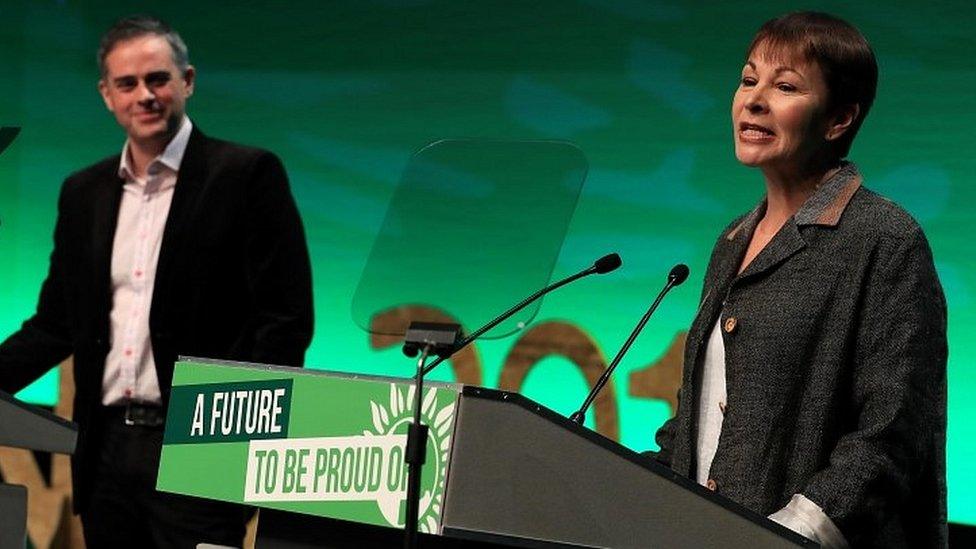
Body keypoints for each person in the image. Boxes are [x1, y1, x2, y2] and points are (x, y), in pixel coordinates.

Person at [0, 15, 314, 547]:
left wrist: (230, 428)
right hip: (104, 450)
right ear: (107, 95)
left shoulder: (246, 174)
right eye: (127, 84)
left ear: (187, 81)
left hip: (198, 444)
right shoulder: (83, 193)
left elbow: (285, 320)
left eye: (158, 79)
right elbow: (56, 323)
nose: (144, 95)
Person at [651, 12, 946, 548]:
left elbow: (893, 432)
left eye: (784, 86)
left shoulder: (883, 237)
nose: (754, 100)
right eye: (748, 79)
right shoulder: (732, 241)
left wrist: (783, 535)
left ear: (838, 119)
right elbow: (698, 423)